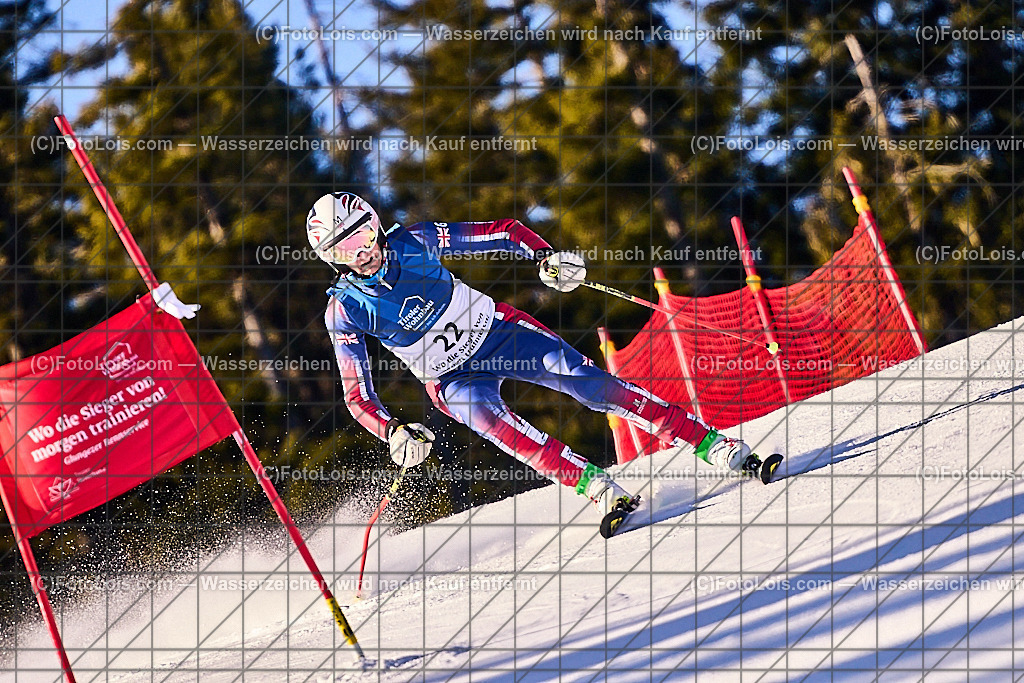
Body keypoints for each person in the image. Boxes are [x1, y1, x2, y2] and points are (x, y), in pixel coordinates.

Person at [309, 192, 755, 536]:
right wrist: (393, 430)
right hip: (450, 378)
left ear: (375, 225)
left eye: (363, 236)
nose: (362, 253)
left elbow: (503, 231)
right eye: (345, 250)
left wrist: (545, 257)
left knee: (591, 385)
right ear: (332, 260)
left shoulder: (417, 240)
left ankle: (710, 443)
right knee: (503, 429)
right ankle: (596, 487)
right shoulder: (344, 309)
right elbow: (357, 395)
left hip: (500, 334)